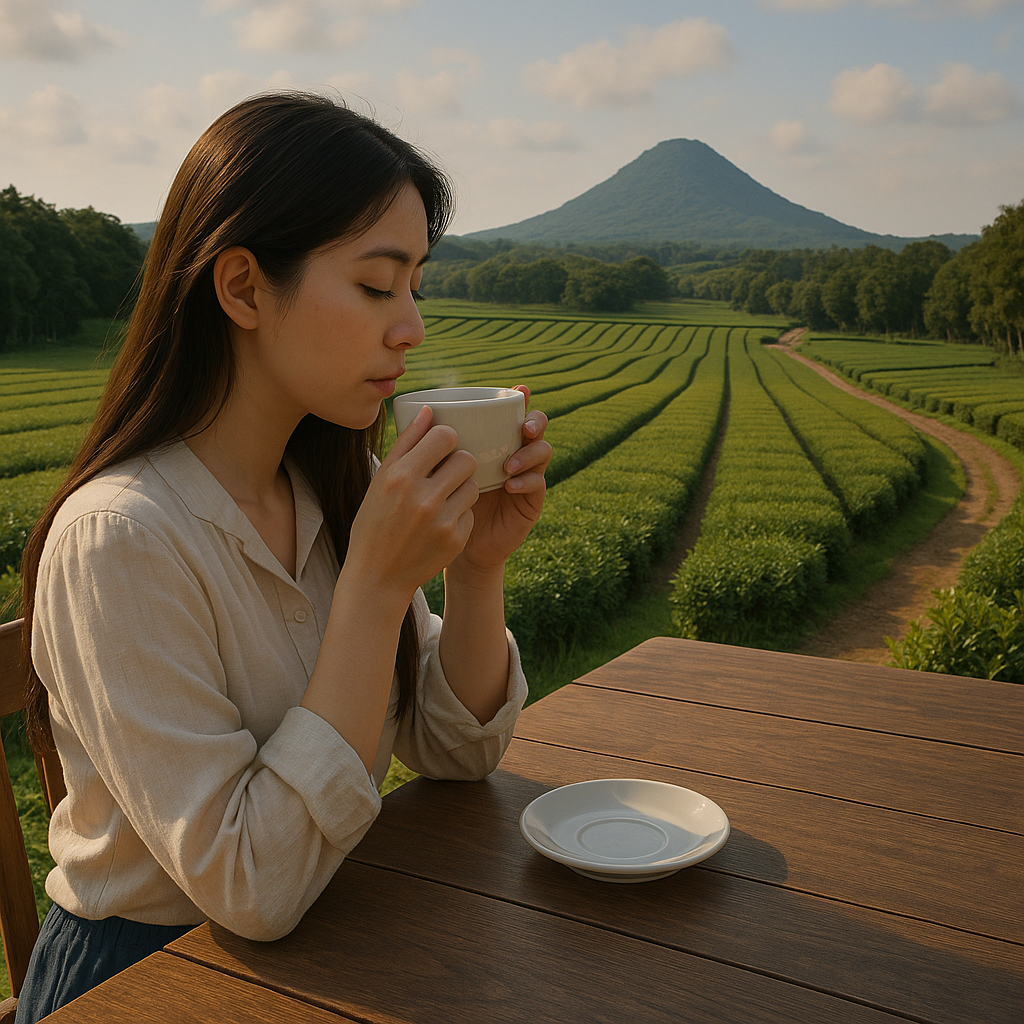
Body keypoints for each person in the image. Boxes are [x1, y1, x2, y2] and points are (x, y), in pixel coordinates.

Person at [14, 91, 550, 1022]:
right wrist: (377, 586)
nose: (411, 327)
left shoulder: (332, 489)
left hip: (332, 937)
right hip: (149, 979)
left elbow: (457, 753)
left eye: (416, 286)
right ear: (244, 288)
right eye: (378, 285)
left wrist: (476, 569)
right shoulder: (123, 540)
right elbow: (251, 887)